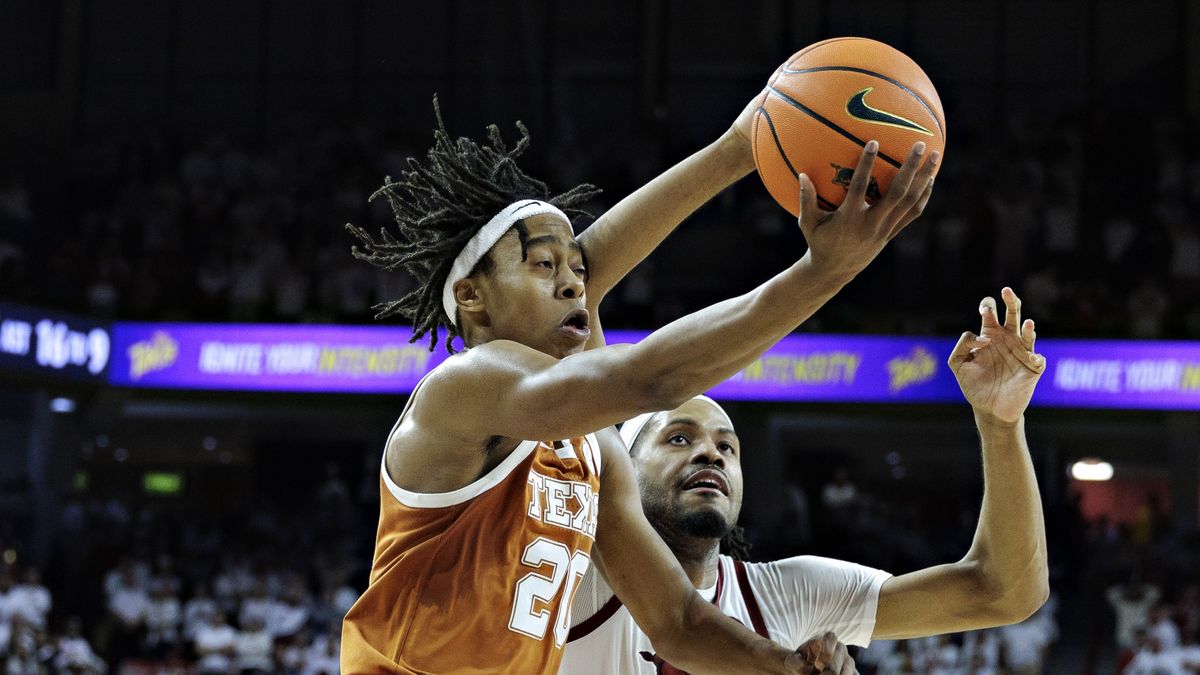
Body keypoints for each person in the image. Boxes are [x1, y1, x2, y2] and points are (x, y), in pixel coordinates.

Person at [339, 92, 937, 674]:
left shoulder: (594, 448)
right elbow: (655, 378)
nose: (575, 285)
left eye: (578, 272)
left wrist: (786, 666)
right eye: (545, 266)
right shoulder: (466, 387)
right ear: (471, 297)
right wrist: (822, 273)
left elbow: (677, 620)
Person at [560, 289, 1050, 674]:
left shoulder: (790, 595)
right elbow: (587, 325)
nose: (710, 451)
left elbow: (1003, 591)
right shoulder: (568, 575)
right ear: (620, 463)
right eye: (679, 438)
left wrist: (1001, 425)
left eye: (727, 447)